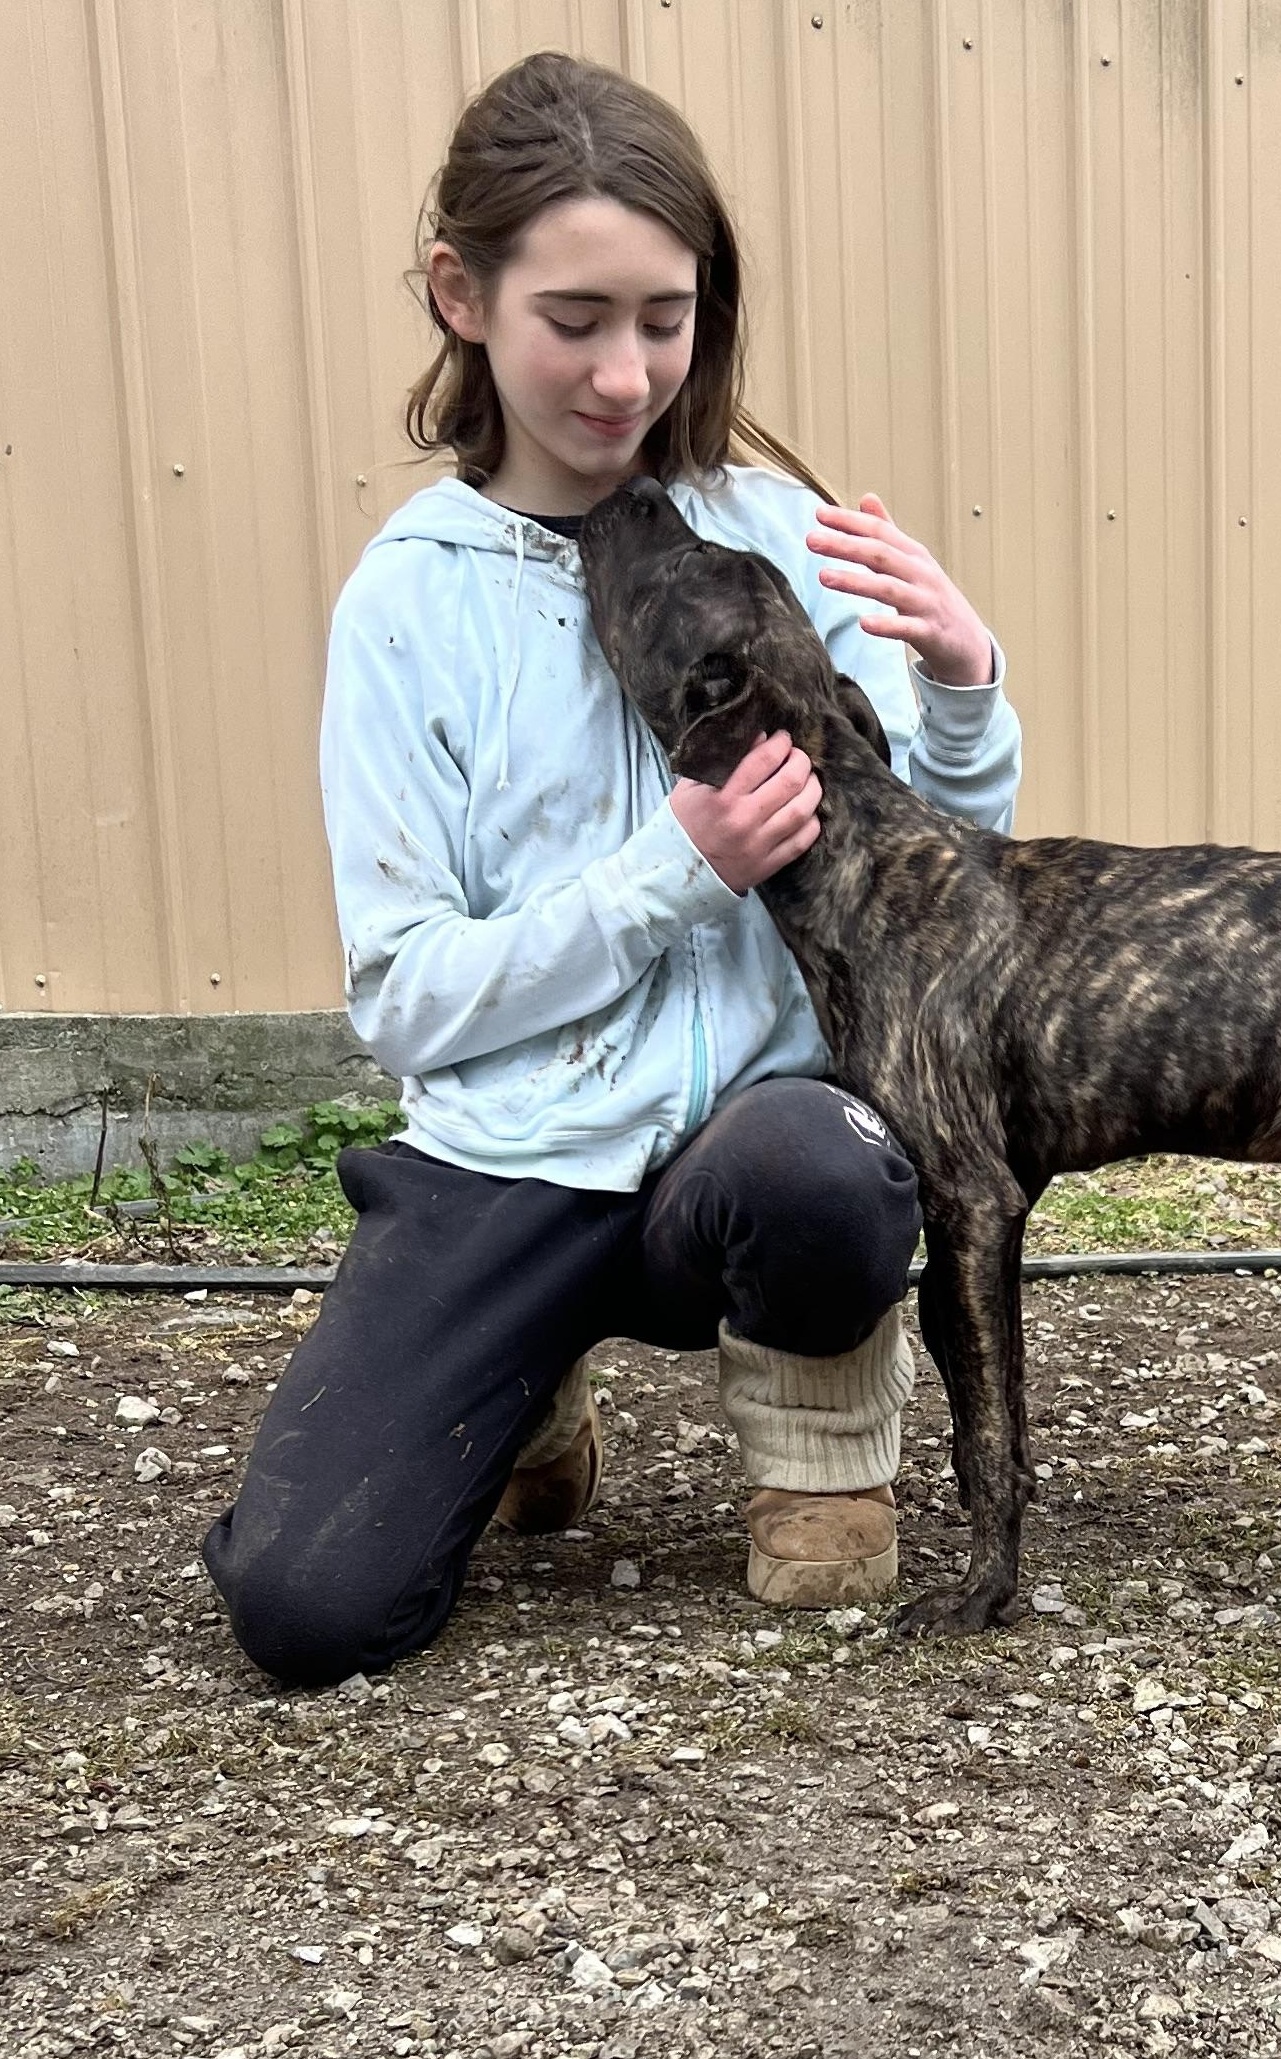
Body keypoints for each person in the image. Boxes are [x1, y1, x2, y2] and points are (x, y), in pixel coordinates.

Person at [201, 50, 1020, 1686]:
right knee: (306, 1612)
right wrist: (674, 874)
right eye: (575, 317)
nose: (626, 372)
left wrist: (962, 688)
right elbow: (408, 999)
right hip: (514, 1165)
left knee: (833, 1165)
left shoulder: (775, 537)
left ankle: (818, 1453)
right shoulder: (410, 605)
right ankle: (524, 1376)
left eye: (667, 316)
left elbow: (935, 896)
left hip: (751, 1144)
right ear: (462, 293)